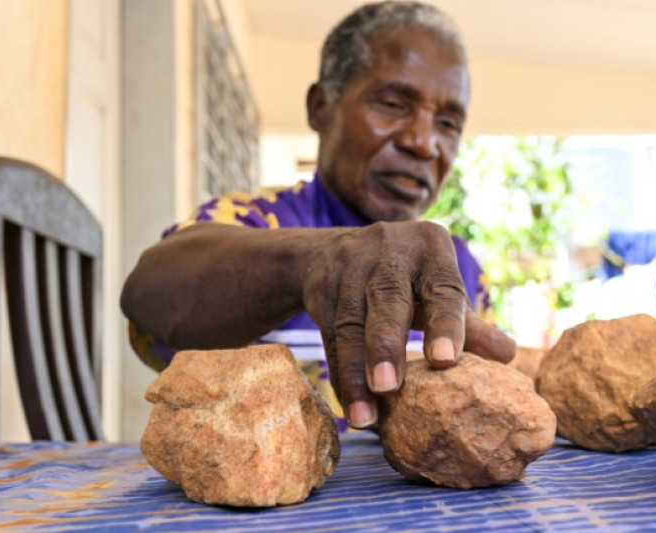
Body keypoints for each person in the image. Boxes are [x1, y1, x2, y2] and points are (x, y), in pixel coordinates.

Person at [121, 0, 516, 431]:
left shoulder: (460, 269)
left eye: (448, 123)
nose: (424, 142)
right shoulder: (255, 220)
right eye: (392, 104)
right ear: (320, 108)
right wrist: (316, 260)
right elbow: (148, 293)